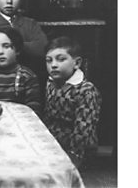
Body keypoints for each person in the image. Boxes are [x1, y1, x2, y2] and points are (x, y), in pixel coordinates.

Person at [42, 36, 101, 168]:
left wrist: (74, 157)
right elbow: (48, 115)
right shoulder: (51, 82)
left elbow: (83, 130)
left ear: (77, 63)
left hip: (77, 148)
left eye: (61, 59)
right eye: (49, 60)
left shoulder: (86, 91)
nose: (54, 65)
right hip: (53, 142)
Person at [0, 27, 42, 115]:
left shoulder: (27, 76)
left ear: (17, 50)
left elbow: (34, 109)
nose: (0, 52)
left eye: (6, 46)